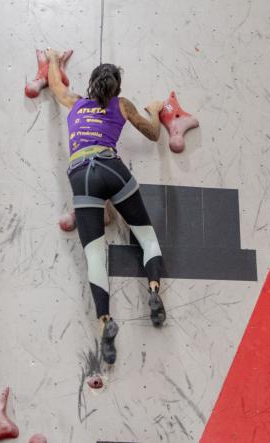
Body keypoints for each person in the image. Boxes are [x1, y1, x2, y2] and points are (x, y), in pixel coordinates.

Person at [44, 48, 166, 365]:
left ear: (91, 84)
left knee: (95, 254)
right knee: (147, 238)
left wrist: (54, 61)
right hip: (112, 169)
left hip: (82, 175)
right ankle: (153, 291)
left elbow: (55, 86)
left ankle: (104, 323)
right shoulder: (122, 106)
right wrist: (154, 110)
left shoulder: (74, 103)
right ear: (117, 90)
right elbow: (153, 134)